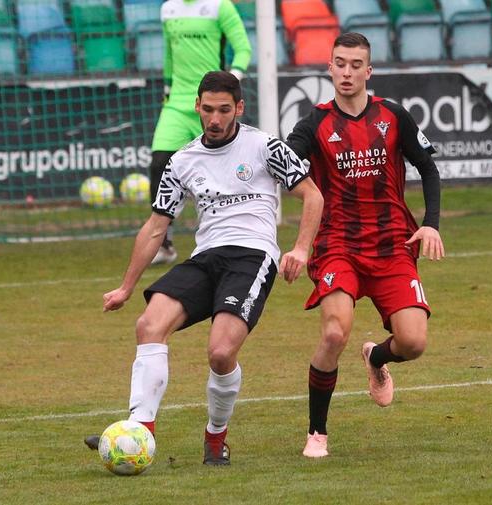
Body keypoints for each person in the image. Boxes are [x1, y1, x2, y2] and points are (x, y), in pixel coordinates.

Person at [85, 71, 323, 465]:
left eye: (224, 110)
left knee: (219, 353)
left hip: (252, 256)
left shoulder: (264, 146)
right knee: (148, 325)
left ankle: (216, 437)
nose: (214, 119)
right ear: (197, 106)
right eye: (208, 109)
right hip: (206, 257)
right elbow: (156, 226)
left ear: (239, 109)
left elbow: (312, 196)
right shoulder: (182, 161)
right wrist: (127, 287)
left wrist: (300, 248)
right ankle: (138, 431)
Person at [285, 32, 445, 458]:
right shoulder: (313, 125)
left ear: (368, 71)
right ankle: (317, 432)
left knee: (413, 343)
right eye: (341, 63)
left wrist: (430, 224)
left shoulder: (393, 116)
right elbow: (285, 169)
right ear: (330, 68)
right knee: (335, 331)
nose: (348, 71)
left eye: (357, 64)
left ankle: (377, 359)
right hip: (338, 245)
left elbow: (429, 168)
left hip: (392, 244)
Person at [149, 0, 252, 265]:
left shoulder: (221, 7)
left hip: (212, 103)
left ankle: (233, 233)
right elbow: (169, 56)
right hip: (178, 102)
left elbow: (243, 48)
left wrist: (232, 82)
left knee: (223, 165)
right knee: (160, 162)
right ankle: (163, 243)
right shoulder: (168, 9)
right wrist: (167, 86)